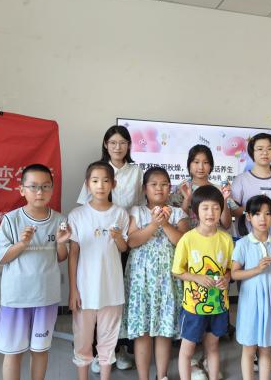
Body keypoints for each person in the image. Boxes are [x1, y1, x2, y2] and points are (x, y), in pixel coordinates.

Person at [0, 164, 70, 380]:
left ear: (52, 189)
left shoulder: (59, 220)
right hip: (16, 298)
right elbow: (1, 258)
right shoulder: (11, 219)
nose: (39, 192)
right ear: (22, 190)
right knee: (13, 352)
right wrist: (22, 244)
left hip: (46, 297)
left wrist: (62, 242)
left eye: (45, 186)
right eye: (33, 186)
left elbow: (61, 257)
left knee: (40, 349)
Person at [77, 125, 143, 372]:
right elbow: (84, 207)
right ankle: (99, 352)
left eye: (123, 142)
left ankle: (121, 349)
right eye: (113, 142)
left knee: (121, 296)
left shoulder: (136, 171)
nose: (118, 147)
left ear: (129, 145)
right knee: (97, 297)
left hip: (126, 238)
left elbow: (139, 205)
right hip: (98, 243)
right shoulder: (98, 169)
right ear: (106, 144)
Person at [122, 167, 189, 380]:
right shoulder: (137, 211)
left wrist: (165, 224)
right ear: (145, 188)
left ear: (170, 188)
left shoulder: (178, 213)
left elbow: (182, 242)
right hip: (141, 280)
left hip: (167, 280)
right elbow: (132, 241)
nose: (159, 188)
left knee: (163, 331)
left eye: (164, 184)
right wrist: (153, 224)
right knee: (142, 332)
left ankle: (162, 376)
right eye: (154, 184)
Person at [68, 161, 130, 380]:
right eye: (95, 181)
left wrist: (118, 238)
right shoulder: (77, 215)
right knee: (83, 341)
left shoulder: (120, 214)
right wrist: (73, 290)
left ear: (113, 184)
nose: (100, 186)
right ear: (87, 184)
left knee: (108, 342)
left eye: (105, 181)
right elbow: (73, 254)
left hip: (112, 290)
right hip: (84, 291)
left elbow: (124, 248)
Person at [172, 185, 234, 380]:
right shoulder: (188, 239)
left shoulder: (226, 239)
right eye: (205, 208)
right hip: (193, 307)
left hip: (219, 305)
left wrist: (226, 278)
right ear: (195, 211)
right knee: (187, 349)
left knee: (213, 347)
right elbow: (177, 271)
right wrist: (196, 277)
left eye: (216, 208)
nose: (211, 213)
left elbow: (231, 269)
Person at [231, 195, 271, 380]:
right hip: (250, 303)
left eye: (267, 214)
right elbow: (234, 274)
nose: (262, 218)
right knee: (249, 349)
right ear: (248, 217)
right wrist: (256, 269)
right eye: (257, 214)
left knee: (266, 349)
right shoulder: (242, 244)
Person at [231, 133, 271, 235]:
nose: (265, 153)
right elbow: (232, 210)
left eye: (269, 149)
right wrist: (255, 209)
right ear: (252, 152)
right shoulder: (241, 180)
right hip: (246, 239)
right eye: (260, 149)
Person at [170, 144, 236, 230]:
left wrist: (224, 200)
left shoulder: (220, 190)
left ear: (211, 165)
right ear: (189, 165)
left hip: (215, 237)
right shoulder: (181, 189)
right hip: (189, 237)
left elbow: (226, 224)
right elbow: (176, 222)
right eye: (196, 162)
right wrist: (187, 200)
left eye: (205, 162)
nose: (201, 167)